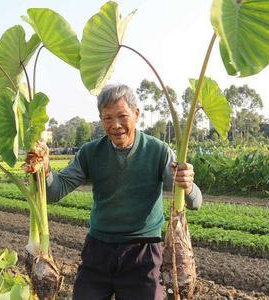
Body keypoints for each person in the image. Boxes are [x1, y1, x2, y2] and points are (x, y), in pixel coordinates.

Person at [44, 84, 202, 300]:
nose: (115, 125)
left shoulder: (158, 151)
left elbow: (195, 202)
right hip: (98, 250)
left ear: (136, 114)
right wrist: (44, 170)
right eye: (107, 118)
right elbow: (55, 191)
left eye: (122, 116)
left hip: (143, 253)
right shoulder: (90, 153)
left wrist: (189, 185)